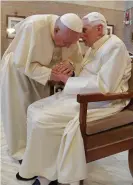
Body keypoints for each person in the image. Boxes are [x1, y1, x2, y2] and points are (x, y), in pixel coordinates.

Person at [16, 12, 131, 185]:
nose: (81, 35)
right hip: (81, 94)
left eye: (84, 30)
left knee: (44, 118)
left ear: (99, 29)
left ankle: (50, 174)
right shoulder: (94, 46)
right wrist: (70, 70)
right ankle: (36, 166)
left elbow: (105, 86)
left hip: (101, 101)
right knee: (34, 108)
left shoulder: (115, 47)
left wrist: (67, 81)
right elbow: (85, 71)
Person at [0, 13, 83, 161]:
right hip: (17, 73)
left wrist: (69, 65)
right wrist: (53, 74)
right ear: (56, 30)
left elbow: (77, 59)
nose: (68, 46)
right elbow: (21, 62)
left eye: (72, 43)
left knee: (38, 110)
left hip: (44, 77)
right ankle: (20, 152)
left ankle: (36, 148)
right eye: (65, 42)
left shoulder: (70, 35)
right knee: (19, 112)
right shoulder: (33, 26)